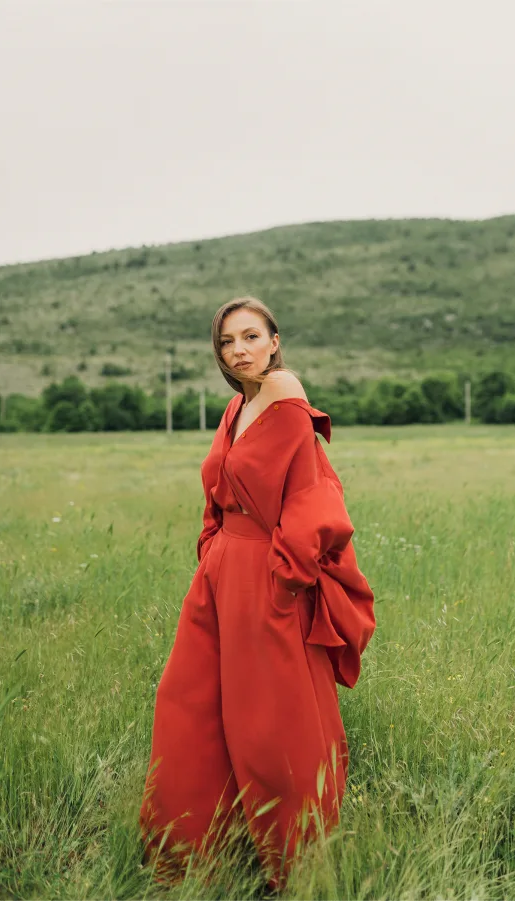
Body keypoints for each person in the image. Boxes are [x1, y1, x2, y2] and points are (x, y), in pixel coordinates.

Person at [139, 296, 376, 890]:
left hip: (267, 580)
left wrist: (284, 575)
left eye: (251, 337)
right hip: (219, 579)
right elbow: (219, 492)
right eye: (227, 342)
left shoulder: (285, 394)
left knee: (271, 722)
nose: (239, 350)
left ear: (275, 340)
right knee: (190, 708)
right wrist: (212, 549)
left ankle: (294, 866)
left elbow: (313, 496)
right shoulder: (235, 406)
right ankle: (192, 859)